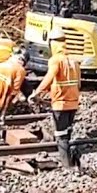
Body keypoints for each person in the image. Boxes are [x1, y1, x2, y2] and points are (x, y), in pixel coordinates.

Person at [30, 27, 82, 167]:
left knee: (60, 135)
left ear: (53, 43)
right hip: (73, 102)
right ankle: (70, 159)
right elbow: (78, 83)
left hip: (61, 103)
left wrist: (37, 92)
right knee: (67, 131)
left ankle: (67, 165)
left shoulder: (56, 60)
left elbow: (50, 76)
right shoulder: (74, 60)